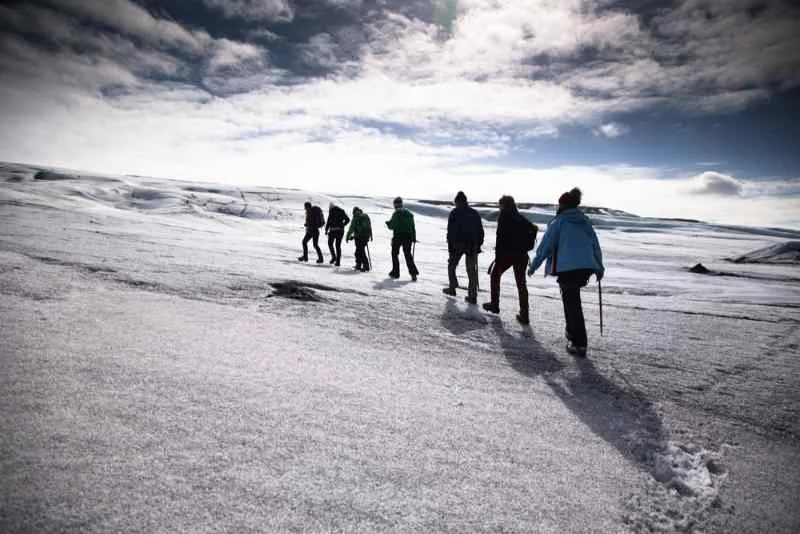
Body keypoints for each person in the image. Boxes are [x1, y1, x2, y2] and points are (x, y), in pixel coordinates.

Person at [528, 187, 604, 357]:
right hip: (585, 268)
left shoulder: (559, 222)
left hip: (568, 268)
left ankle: (579, 343)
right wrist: (599, 267)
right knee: (570, 299)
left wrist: (533, 266)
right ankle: (571, 333)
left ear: (563, 204)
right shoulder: (585, 222)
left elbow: (545, 247)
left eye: (559, 203)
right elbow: (595, 246)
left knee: (572, 302)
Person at [483, 195, 537, 325]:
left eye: (500, 204)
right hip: (522, 255)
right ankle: (525, 314)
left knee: (495, 275)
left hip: (507, 254)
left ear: (504, 205)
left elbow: (500, 238)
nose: (499, 207)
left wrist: (498, 257)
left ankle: (495, 305)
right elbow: (534, 228)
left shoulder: (504, 216)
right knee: (521, 284)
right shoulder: (519, 217)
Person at [443, 191, 484, 304]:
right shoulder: (474, 213)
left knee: (451, 265)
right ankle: (472, 296)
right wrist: (478, 245)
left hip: (457, 245)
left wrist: (450, 246)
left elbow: (450, 232)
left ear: (457, 201)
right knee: (471, 271)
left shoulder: (454, 213)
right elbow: (480, 231)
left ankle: (452, 288)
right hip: (472, 245)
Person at [385, 196, 419, 281]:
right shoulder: (409, 214)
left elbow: (392, 226)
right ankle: (413, 273)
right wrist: (414, 237)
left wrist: (388, 224)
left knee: (394, 254)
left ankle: (395, 272)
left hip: (398, 236)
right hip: (409, 236)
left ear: (396, 205)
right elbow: (413, 227)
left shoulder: (396, 214)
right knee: (408, 255)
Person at [346, 207, 373, 272]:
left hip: (359, 237)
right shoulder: (365, 216)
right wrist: (371, 236)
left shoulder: (356, 218)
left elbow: (351, 228)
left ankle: (365, 266)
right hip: (366, 237)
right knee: (359, 251)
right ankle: (359, 265)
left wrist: (348, 236)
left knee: (360, 252)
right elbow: (369, 227)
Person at [325, 202, 350, 266]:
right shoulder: (341, 211)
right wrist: (343, 225)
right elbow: (348, 219)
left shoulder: (331, 211)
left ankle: (334, 257)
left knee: (330, 243)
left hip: (333, 230)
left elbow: (328, 221)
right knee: (338, 246)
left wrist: (326, 230)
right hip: (340, 231)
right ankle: (338, 262)